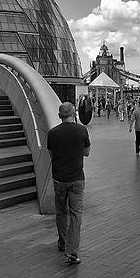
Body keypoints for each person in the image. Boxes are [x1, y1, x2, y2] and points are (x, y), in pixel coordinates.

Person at [47, 102, 90, 265]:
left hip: (59, 178)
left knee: (61, 212)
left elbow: (51, 154)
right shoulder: (81, 130)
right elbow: (86, 152)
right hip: (77, 178)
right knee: (76, 214)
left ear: (59, 115)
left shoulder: (52, 133)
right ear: (74, 114)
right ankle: (72, 251)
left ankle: (62, 242)